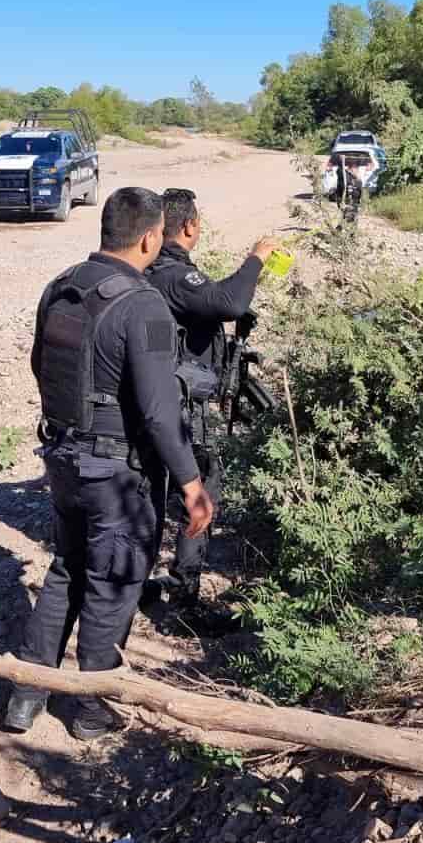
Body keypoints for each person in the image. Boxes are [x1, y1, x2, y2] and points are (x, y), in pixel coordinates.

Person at [4, 187, 215, 740]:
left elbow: (40, 366)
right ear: (149, 239)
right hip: (117, 476)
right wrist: (192, 484)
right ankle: (91, 712)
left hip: (63, 460)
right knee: (111, 585)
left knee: (67, 570)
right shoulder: (144, 305)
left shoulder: (61, 287)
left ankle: (25, 697)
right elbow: (159, 414)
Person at [143, 188, 277, 605]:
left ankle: (137, 582)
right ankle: (185, 592)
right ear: (189, 226)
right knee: (201, 488)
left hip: (156, 398)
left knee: (153, 491)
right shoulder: (173, 274)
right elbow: (229, 302)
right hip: (182, 408)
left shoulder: (147, 268)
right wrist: (257, 258)